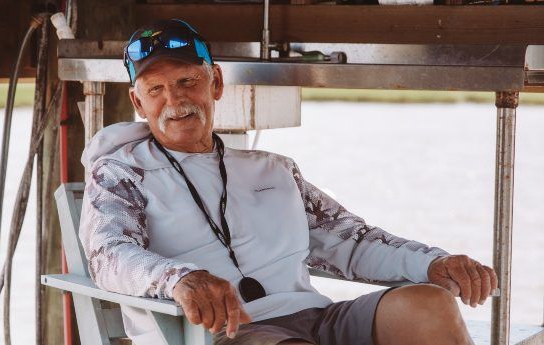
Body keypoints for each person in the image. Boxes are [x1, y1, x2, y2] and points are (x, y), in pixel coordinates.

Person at [79, 19, 498, 345]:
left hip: (315, 317)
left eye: (188, 81)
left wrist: (432, 264)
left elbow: (350, 242)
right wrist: (180, 279)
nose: (175, 100)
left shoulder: (275, 170)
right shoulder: (119, 173)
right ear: (138, 101)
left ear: (216, 82)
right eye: (156, 89)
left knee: (429, 305)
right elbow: (109, 254)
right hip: (222, 333)